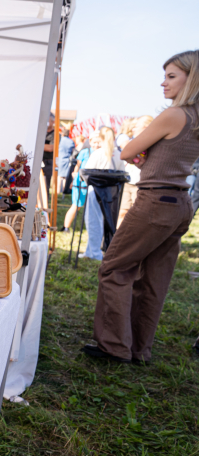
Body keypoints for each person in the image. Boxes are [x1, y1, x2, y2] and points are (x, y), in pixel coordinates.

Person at [85, 50, 199, 364]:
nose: (163, 83)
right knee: (154, 280)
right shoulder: (195, 118)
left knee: (114, 267)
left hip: (155, 202)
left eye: (171, 76)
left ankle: (114, 346)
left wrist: (137, 150)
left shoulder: (174, 114)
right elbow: (169, 157)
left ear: (192, 79)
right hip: (180, 203)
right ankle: (139, 349)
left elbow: (127, 151)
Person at [80, 126, 122, 260]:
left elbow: (87, 172)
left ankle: (95, 253)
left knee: (93, 221)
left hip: (95, 192)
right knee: (103, 221)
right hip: (111, 193)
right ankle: (91, 251)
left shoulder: (98, 153)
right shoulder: (118, 154)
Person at [118, 115, 153, 225]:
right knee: (122, 212)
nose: (132, 129)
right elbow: (126, 151)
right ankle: (118, 233)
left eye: (136, 126)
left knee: (138, 214)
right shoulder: (131, 140)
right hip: (127, 181)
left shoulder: (153, 143)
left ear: (146, 127)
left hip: (142, 184)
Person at [60, 131, 98, 232]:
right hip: (81, 183)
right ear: (90, 142)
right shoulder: (85, 152)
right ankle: (66, 227)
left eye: (98, 142)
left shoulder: (101, 153)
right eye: (94, 142)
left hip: (93, 184)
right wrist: (73, 180)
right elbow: (77, 166)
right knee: (76, 205)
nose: (96, 144)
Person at [56, 125, 75, 194]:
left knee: (59, 176)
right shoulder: (71, 141)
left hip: (60, 159)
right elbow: (73, 151)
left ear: (62, 134)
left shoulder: (60, 140)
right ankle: (64, 190)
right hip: (67, 160)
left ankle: (58, 191)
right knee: (65, 176)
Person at [41, 112, 55, 198]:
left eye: (48, 120)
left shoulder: (56, 134)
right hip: (39, 161)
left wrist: (38, 145)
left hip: (48, 163)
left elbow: (50, 148)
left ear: (53, 121)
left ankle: (45, 202)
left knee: (46, 184)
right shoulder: (41, 132)